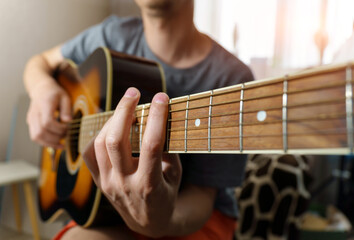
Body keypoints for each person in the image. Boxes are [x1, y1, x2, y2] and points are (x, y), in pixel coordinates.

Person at [23, 0, 254, 239]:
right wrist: (41, 89)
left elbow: (202, 197)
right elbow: (39, 62)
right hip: (108, 209)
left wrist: (159, 223)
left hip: (192, 216)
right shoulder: (111, 36)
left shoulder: (233, 77)